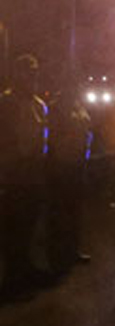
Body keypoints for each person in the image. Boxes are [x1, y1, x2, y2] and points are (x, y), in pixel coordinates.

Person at [0, 53, 51, 298]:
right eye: (27, 72)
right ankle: (13, 276)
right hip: (13, 173)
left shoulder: (39, 104)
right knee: (14, 226)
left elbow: (43, 138)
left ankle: (25, 269)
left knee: (29, 223)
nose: (31, 76)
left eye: (34, 72)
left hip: (33, 173)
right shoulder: (6, 102)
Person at [45, 88, 93, 273]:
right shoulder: (56, 108)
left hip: (76, 165)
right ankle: (55, 255)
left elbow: (86, 132)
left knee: (74, 211)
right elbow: (51, 138)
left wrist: (84, 157)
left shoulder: (79, 107)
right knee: (58, 212)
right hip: (61, 167)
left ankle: (71, 251)